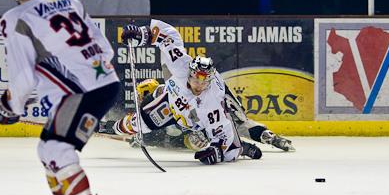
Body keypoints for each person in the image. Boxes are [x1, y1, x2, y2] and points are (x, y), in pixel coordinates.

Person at [0, 0, 120, 195]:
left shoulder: (15, 18)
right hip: (104, 82)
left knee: (57, 149)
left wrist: (8, 108)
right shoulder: (71, 3)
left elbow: (23, 78)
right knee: (46, 148)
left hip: (80, 92)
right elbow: (106, 49)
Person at [116, 19, 263, 165]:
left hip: (196, 122)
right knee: (137, 123)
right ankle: (110, 127)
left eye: (204, 82)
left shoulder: (212, 101)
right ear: (190, 73)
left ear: (210, 81)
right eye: (196, 80)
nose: (199, 85)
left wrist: (215, 152)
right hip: (172, 105)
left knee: (216, 144)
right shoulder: (180, 65)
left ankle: (243, 147)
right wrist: (141, 33)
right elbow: (168, 36)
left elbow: (224, 138)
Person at [103, 78, 294, 152]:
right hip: (196, 125)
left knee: (224, 128)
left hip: (198, 123)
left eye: (143, 94)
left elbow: (161, 129)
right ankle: (263, 139)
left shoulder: (160, 97)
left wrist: (143, 138)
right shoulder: (166, 95)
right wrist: (143, 138)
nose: (141, 98)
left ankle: (249, 144)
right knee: (235, 125)